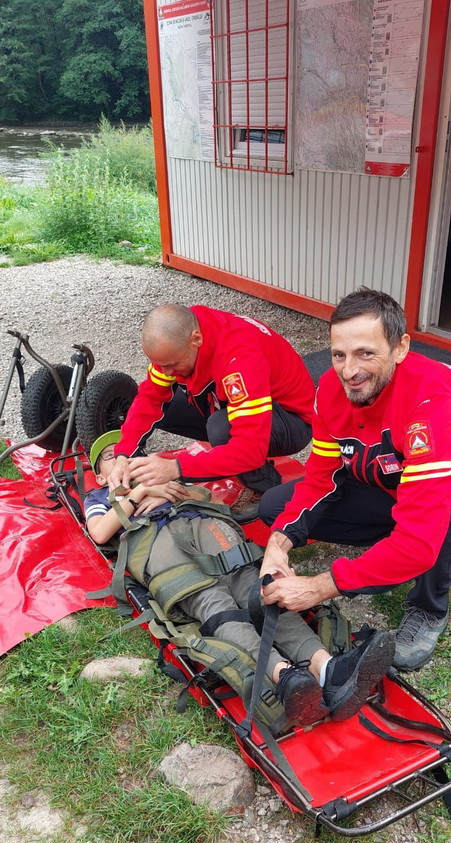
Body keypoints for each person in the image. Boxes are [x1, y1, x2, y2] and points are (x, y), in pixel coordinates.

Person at [84, 430, 395, 728]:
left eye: (131, 454)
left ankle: (326, 666)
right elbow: (99, 532)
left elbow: (203, 498)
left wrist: (167, 487)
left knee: (256, 586)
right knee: (213, 604)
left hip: (201, 526)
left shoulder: (162, 476)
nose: (125, 461)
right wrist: (138, 493)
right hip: (158, 544)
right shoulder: (100, 496)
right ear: (99, 476)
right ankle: (284, 676)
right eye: (112, 456)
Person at [259, 287, 451, 672]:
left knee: (430, 531)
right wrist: (278, 543)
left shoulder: (433, 404)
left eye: (366, 353)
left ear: (400, 348)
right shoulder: (330, 390)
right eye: (339, 355)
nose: (349, 371)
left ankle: (429, 608)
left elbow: (418, 542)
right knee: (275, 507)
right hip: (395, 484)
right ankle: (392, 547)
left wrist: (320, 586)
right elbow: (321, 478)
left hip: (438, 483)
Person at [108, 304, 315, 521]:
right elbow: (150, 399)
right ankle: (220, 452)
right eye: (160, 365)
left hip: (292, 420)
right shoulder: (184, 334)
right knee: (164, 409)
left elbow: (251, 448)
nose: (167, 372)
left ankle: (263, 486)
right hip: (247, 398)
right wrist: (124, 454)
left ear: (196, 340)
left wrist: (176, 467)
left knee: (220, 428)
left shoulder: (241, 360)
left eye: (173, 364)